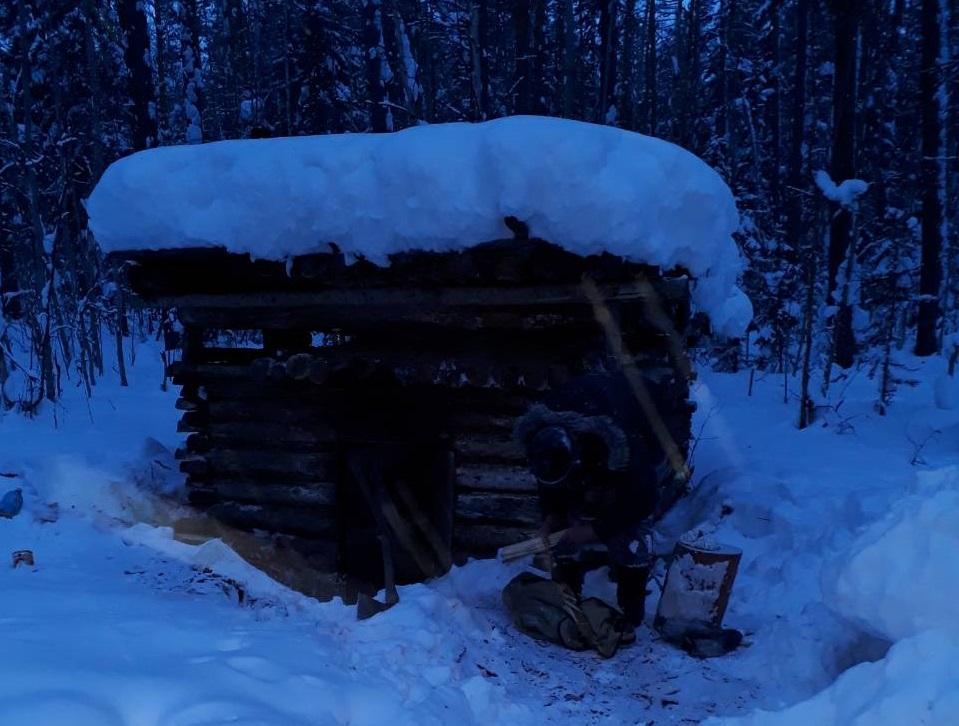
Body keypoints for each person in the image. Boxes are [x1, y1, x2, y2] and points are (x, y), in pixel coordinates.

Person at [514, 370, 668, 627]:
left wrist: (595, 529)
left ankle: (630, 609)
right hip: (589, 441)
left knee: (630, 530)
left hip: (647, 423)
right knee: (566, 527)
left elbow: (644, 498)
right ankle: (568, 595)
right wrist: (551, 520)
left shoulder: (620, 441)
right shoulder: (542, 440)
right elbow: (550, 485)